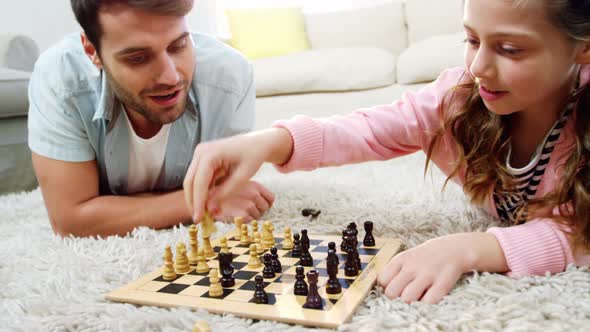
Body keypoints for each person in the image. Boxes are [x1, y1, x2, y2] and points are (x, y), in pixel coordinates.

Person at [183, 0, 590, 304]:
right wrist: (270, 141)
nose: (479, 66)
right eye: (471, 39)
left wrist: (473, 247)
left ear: (583, 49)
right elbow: (373, 129)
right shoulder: (460, 96)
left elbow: (582, 236)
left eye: (510, 49)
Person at [28, 0, 274, 238]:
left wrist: (108, 209)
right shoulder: (61, 80)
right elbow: (70, 220)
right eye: (138, 58)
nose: (170, 77)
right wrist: (202, 202)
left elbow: (224, 187)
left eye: (179, 46)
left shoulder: (229, 78)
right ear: (93, 51)